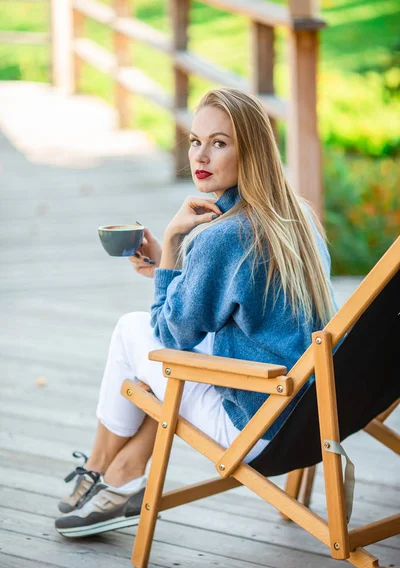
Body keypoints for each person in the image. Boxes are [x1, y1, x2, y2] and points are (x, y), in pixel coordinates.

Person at [55, 87, 337, 538]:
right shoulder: (296, 217)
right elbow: (245, 299)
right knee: (159, 354)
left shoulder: (220, 237)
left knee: (133, 332)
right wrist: (171, 274)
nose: (200, 156)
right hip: (314, 415)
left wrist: (171, 244)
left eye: (220, 143)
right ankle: (119, 471)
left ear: (251, 153)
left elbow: (171, 335)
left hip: (257, 425)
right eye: (195, 140)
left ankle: (104, 470)